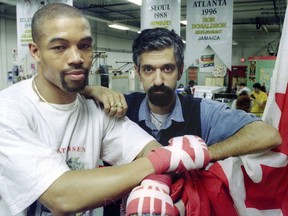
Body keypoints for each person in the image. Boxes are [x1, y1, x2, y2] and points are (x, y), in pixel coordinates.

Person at [0, 4, 211, 216]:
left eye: (84, 46)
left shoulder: (96, 110)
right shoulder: (9, 110)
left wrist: (154, 186)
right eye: (59, 47)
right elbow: (61, 197)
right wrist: (161, 161)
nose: (76, 58)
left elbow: (150, 150)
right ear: (35, 51)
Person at [86, 28, 281, 215]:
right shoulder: (117, 109)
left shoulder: (203, 112)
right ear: (137, 72)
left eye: (167, 68)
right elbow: (62, 97)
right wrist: (90, 90)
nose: (158, 80)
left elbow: (268, 135)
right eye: (148, 69)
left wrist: (203, 154)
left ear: (180, 71)